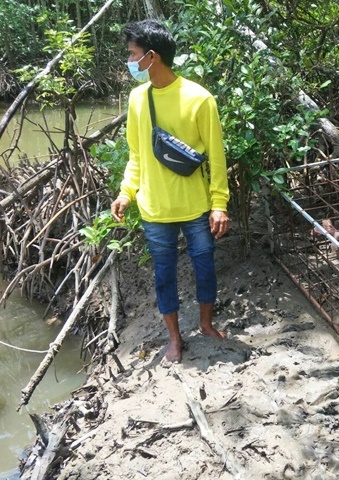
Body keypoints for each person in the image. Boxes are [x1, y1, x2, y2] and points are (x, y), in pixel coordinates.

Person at [111, 20, 230, 363]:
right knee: (164, 275)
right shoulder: (137, 99)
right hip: (154, 209)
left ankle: (206, 325)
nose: (129, 61)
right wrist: (126, 193)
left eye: (132, 55)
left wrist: (219, 204)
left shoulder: (199, 98)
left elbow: (217, 156)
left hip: (195, 206)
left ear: (151, 57)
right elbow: (137, 154)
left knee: (205, 266)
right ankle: (175, 338)